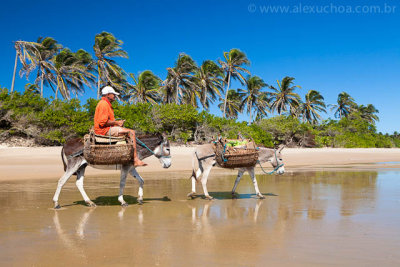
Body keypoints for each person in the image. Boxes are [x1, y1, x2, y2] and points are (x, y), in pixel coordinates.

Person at [94, 86, 147, 166]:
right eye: (113, 94)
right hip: (104, 130)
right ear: (108, 95)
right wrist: (117, 123)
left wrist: (117, 123)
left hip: (106, 129)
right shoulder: (104, 104)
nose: (114, 96)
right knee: (131, 132)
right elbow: (102, 122)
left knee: (126, 130)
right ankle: (135, 159)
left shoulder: (105, 104)